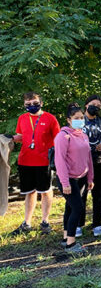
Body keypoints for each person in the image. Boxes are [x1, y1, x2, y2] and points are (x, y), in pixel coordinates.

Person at [10, 92, 60, 235]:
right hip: (25, 160)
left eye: (35, 103)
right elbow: (22, 136)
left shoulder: (50, 118)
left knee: (45, 191)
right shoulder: (22, 118)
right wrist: (10, 138)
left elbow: (58, 138)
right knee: (29, 192)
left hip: (44, 161)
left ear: (41, 103)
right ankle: (27, 223)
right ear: (24, 105)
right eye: (28, 104)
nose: (32, 106)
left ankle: (45, 221)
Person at [54, 103, 94, 254]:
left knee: (70, 208)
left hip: (82, 177)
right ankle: (71, 243)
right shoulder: (63, 136)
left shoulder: (83, 135)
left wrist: (90, 178)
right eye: (76, 118)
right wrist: (65, 182)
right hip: (68, 178)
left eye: (81, 117)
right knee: (78, 208)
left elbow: (88, 158)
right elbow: (60, 161)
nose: (80, 120)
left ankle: (66, 238)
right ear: (68, 120)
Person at [79, 95, 101, 237]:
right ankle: (78, 224)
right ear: (86, 105)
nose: (95, 107)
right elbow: (71, 136)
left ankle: (97, 224)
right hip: (81, 163)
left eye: (98, 105)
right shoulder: (78, 121)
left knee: (98, 194)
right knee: (81, 194)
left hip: (100, 162)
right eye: (93, 104)